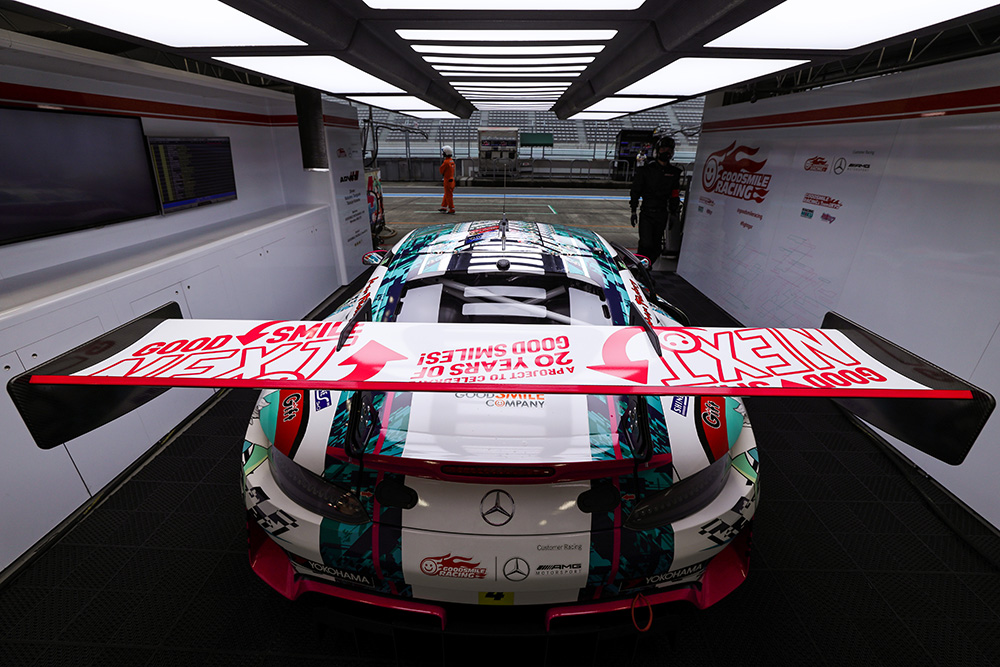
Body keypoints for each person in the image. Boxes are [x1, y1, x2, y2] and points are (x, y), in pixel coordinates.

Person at [629, 135, 681, 265]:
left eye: (669, 150)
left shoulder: (674, 172)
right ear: (657, 151)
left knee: (656, 247)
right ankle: (639, 268)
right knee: (645, 244)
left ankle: (646, 267)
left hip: (662, 213)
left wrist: (673, 214)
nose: (666, 152)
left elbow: (675, 194)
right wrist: (633, 210)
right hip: (647, 212)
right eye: (663, 149)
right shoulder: (646, 171)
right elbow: (635, 191)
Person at [438, 145, 456, 214]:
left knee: (448, 195)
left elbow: (441, 170)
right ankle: (444, 206)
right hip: (451, 179)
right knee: (447, 194)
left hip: (447, 180)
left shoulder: (446, 162)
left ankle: (451, 208)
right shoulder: (451, 161)